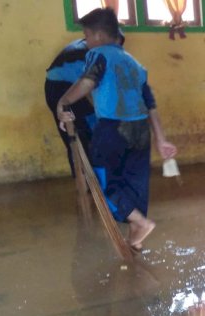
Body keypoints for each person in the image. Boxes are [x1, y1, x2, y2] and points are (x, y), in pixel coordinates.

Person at [57, 8, 177, 250]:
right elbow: (150, 105)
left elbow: (86, 82)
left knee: (102, 182)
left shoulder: (98, 55)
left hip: (113, 129)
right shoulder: (134, 64)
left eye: (87, 36)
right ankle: (136, 235)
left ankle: (140, 223)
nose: (86, 41)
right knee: (134, 182)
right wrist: (161, 139)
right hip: (141, 129)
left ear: (98, 36)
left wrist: (63, 102)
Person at [45, 30, 125, 177]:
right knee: (78, 138)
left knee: (89, 134)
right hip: (61, 90)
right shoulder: (89, 54)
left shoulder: (93, 49)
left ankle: (95, 182)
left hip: (66, 89)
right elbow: (89, 88)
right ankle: (87, 184)